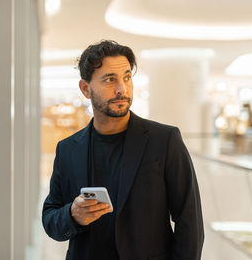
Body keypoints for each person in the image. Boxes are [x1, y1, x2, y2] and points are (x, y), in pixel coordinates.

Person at [42, 40, 204, 260]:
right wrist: (73, 214)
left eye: (127, 77)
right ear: (85, 88)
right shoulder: (68, 149)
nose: (122, 89)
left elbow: (189, 220)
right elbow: (50, 218)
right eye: (110, 80)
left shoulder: (164, 140)